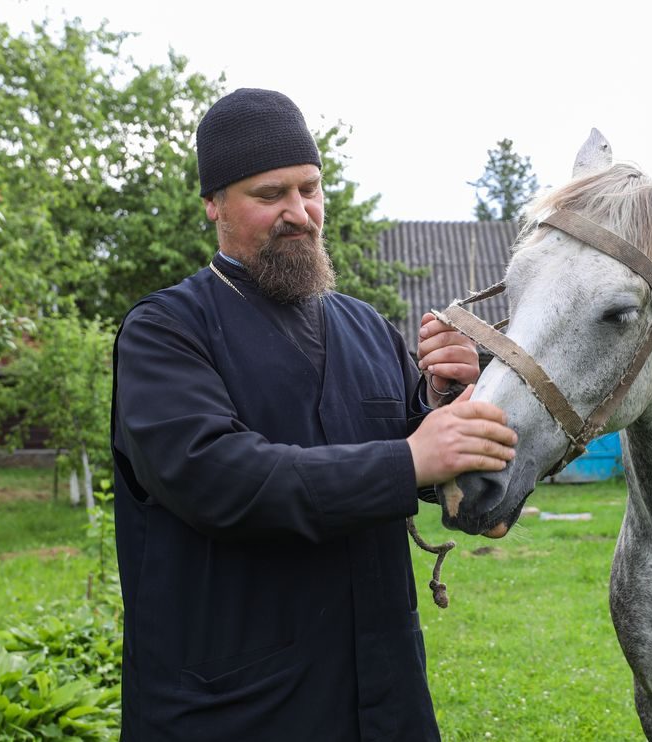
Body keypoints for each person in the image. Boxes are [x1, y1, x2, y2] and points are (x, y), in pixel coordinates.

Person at [110, 88, 517, 741]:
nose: (299, 213)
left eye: (310, 189)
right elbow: (215, 479)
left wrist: (452, 403)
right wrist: (414, 455)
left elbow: (452, 488)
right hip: (236, 707)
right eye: (270, 195)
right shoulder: (165, 332)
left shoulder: (368, 329)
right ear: (213, 205)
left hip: (383, 699)